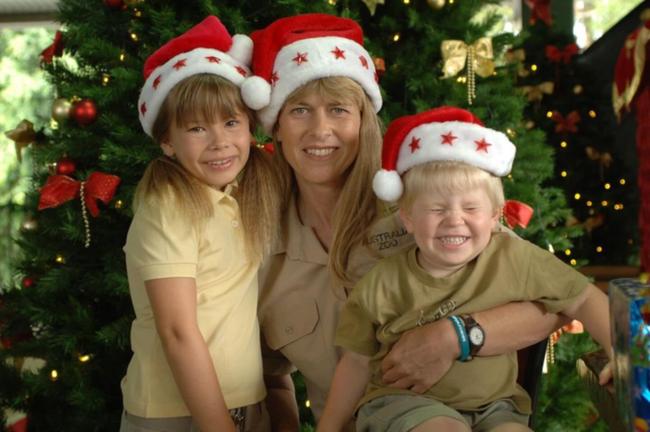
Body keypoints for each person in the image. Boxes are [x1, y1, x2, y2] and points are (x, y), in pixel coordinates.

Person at [242, 13, 568, 429]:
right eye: (300, 111)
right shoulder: (262, 238)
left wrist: (456, 336)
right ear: (277, 128)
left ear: (363, 122)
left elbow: (552, 303)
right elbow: (268, 379)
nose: (320, 130)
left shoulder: (422, 204)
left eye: (339, 110)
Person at [317, 106, 613, 432]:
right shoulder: (380, 284)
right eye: (437, 208)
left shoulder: (514, 257)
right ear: (408, 219)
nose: (454, 219)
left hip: (495, 407)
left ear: (494, 216)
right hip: (403, 404)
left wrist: (619, 355)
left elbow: (583, 297)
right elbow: (356, 362)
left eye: (470, 207)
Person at [120, 16, 280, 432]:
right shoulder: (167, 204)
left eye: (231, 122)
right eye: (196, 128)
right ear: (167, 141)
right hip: (178, 414)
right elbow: (176, 331)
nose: (220, 142)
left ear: (249, 126)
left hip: (246, 402)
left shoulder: (243, 193)